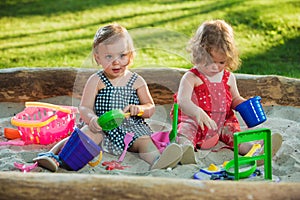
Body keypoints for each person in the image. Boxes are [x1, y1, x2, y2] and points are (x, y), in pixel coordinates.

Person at [33, 23, 183, 172]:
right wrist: (92, 119)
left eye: (122, 55)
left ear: (130, 55)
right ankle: (53, 156)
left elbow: (150, 107)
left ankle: (158, 160)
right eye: (109, 56)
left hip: (131, 129)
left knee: (145, 142)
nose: (116, 61)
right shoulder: (96, 80)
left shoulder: (137, 81)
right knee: (81, 136)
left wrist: (140, 109)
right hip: (102, 128)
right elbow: (84, 107)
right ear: (98, 58)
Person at [172, 19, 282, 164]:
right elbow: (183, 100)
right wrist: (197, 112)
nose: (215, 67)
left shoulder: (228, 77)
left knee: (234, 134)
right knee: (185, 131)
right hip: (195, 120)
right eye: (209, 62)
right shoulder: (192, 77)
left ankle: (254, 150)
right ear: (199, 54)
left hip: (222, 121)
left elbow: (235, 98)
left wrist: (244, 105)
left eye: (221, 62)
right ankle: (185, 151)